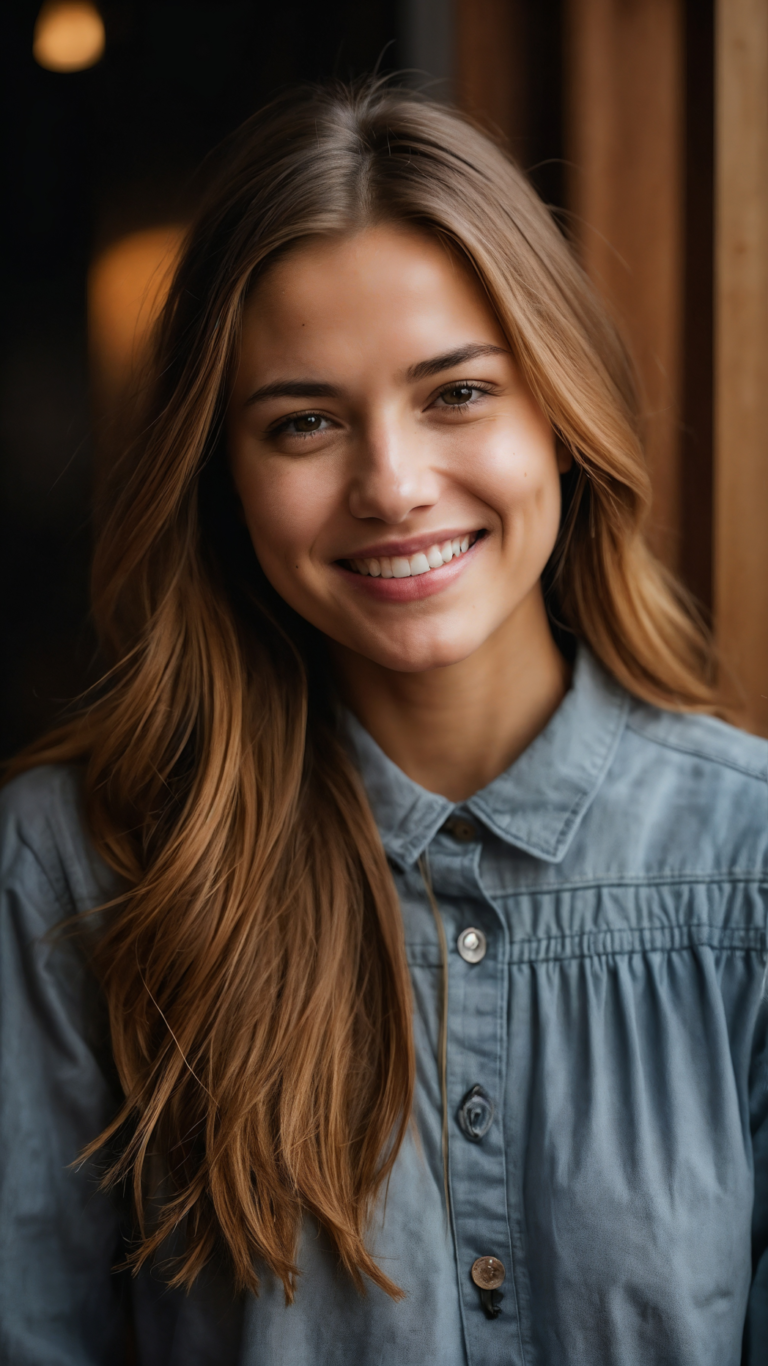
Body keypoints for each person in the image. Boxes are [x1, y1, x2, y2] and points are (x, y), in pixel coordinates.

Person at [0, 78, 766, 1366]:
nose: (394, 485)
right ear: (224, 478)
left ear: (561, 417)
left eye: (457, 393)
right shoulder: (75, 871)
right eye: (304, 422)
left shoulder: (748, 864)